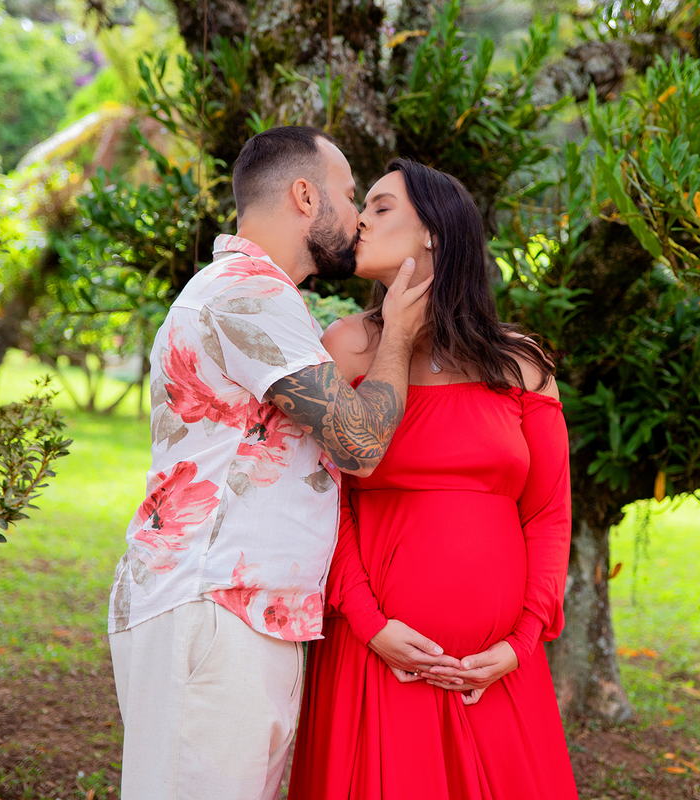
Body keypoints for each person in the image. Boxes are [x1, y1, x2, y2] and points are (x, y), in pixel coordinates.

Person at [105, 128, 454, 800]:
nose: (357, 218)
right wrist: (399, 337)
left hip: (243, 611)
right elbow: (358, 445)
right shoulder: (246, 293)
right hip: (212, 606)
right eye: (350, 197)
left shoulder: (260, 296)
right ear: (305, 196)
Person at [288, 159, 579, 799]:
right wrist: (370, 624)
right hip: (375, 657)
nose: (360, 220)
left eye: (381, 206)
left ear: (434, 233)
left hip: (496, 671)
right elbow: (321, 501)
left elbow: (548, 514)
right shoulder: (345, 347)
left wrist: (522, 641)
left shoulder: (521, 365)